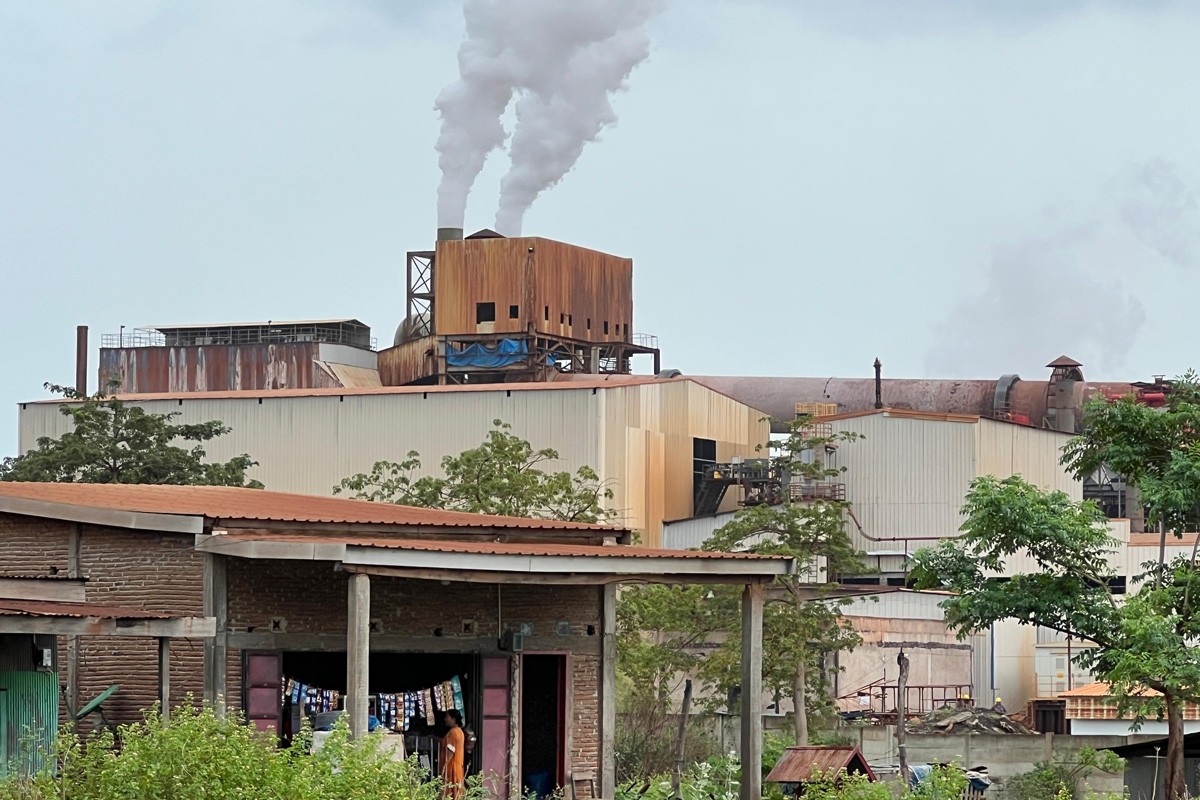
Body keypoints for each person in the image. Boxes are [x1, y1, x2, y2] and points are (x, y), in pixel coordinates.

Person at [440, 709, 466, 799]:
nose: (445, 719)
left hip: (452, 768)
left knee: (450, 793)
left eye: (447, 717)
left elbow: (450, 750)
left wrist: (444, 768)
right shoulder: (459, 732)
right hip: (458, 767)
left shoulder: (453, 732)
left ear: (453, 719)